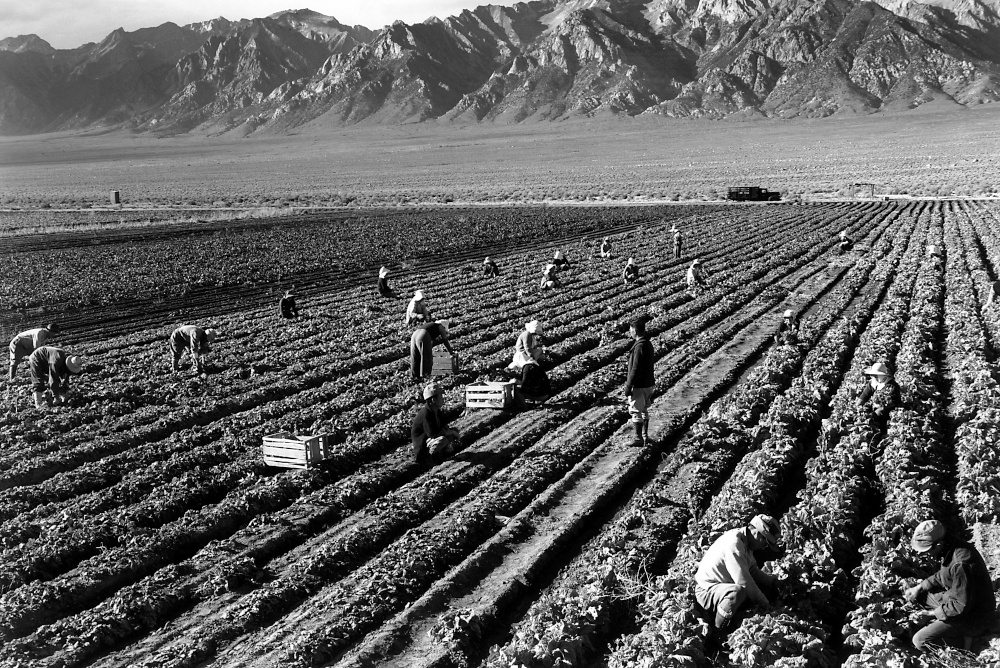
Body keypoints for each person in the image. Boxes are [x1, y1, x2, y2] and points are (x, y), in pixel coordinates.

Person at [903, 520, 997, 651]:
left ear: (939, 544)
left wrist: (931, 614)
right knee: (921, 595)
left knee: (920, 641)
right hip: (959, 599)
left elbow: (960, 606)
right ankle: (942, 624)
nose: (921, 554)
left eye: (926, 549)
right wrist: (919, 587)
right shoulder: (949, 547)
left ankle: (971, 643)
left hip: (974, 616)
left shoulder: (961, 563)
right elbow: (943, 575)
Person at [694, 514, 782, 631]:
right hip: (707, 590)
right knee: (737, 593)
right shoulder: (734, 545)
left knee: (765, 590)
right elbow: (743, 581)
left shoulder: (745, 541)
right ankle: (719, 630)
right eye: (765, 543)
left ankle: (734, 616)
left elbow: (752, 570)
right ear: (756, 532)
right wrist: (766, 604)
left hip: (724, 584)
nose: (764, 547)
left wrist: (773, 582)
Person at [410, 383, 460, 465]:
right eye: (440, 397)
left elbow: (443, 426)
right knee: (443, 440)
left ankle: (444, 453)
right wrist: (450, 432)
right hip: (422, 446)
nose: (443, 399)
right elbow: (433, 434)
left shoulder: (436, 410)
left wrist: (451, 432)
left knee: (452, 432)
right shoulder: (426, 414)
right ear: (433, 400)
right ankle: (431, 458)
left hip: (430, 439)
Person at [624, 314, 655, 446]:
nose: (630, 332)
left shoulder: (639, 346)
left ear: (635, 331)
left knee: (636, 409)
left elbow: (635, 368)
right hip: (649, 383)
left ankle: (638, 438)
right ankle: (645, 436)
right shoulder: (647, 344)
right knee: (644, 409)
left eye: (630, 330)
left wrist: (629, 385)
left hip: (640, 384)